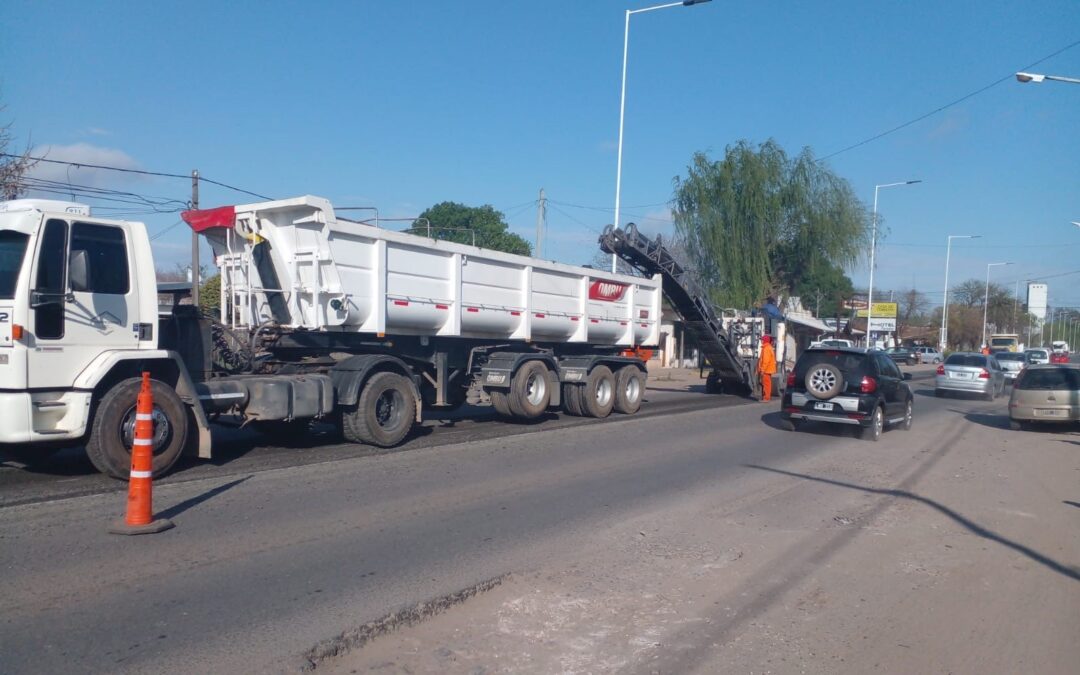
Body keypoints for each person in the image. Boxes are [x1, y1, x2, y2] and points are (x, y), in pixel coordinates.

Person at [758, 335, 777, 402]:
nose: (761, 341)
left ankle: (766, 398)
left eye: (762, 339)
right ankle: (766, 397)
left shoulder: (766, 348)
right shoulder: (768, 347)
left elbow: (765, 361)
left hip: (766, 370)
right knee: (767, 384)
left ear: (765, 340)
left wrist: (762, 370)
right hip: (768, 369)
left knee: (766, 384)